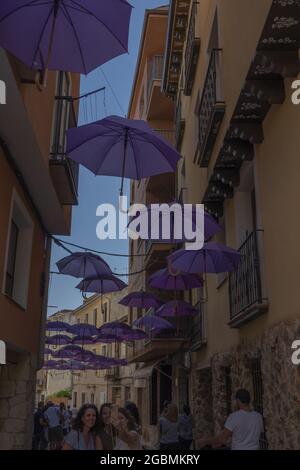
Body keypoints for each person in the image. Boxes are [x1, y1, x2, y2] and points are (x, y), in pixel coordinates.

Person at [197, 389, 264, 451]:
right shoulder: (258, 417)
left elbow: (222, 439)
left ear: (238, 400)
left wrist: (205, 441)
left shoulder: (234, 417)